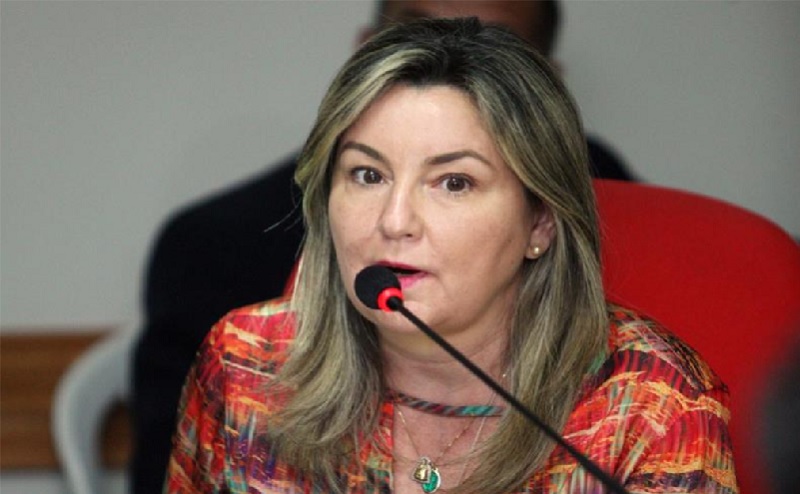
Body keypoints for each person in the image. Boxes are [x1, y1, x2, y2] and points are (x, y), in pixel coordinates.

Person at [165, 18, 736, 493]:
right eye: (367, 175)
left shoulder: (654, 408)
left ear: (540, 220)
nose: (394, 221)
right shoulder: (245, 367)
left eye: (454, 183)